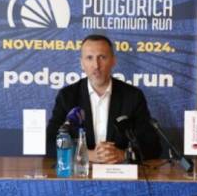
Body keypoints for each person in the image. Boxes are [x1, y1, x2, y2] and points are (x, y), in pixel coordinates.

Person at [46, 34, 161, 163]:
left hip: (120, 171)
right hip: (81, 171)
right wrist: (86, 154)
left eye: (102, 57)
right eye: (89, 58)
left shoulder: (133, 96)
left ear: (113, 61)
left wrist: (123, 155)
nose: (96, 65)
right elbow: (49, 143)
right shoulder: (67, 96)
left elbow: (152, 145)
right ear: (82, 63)